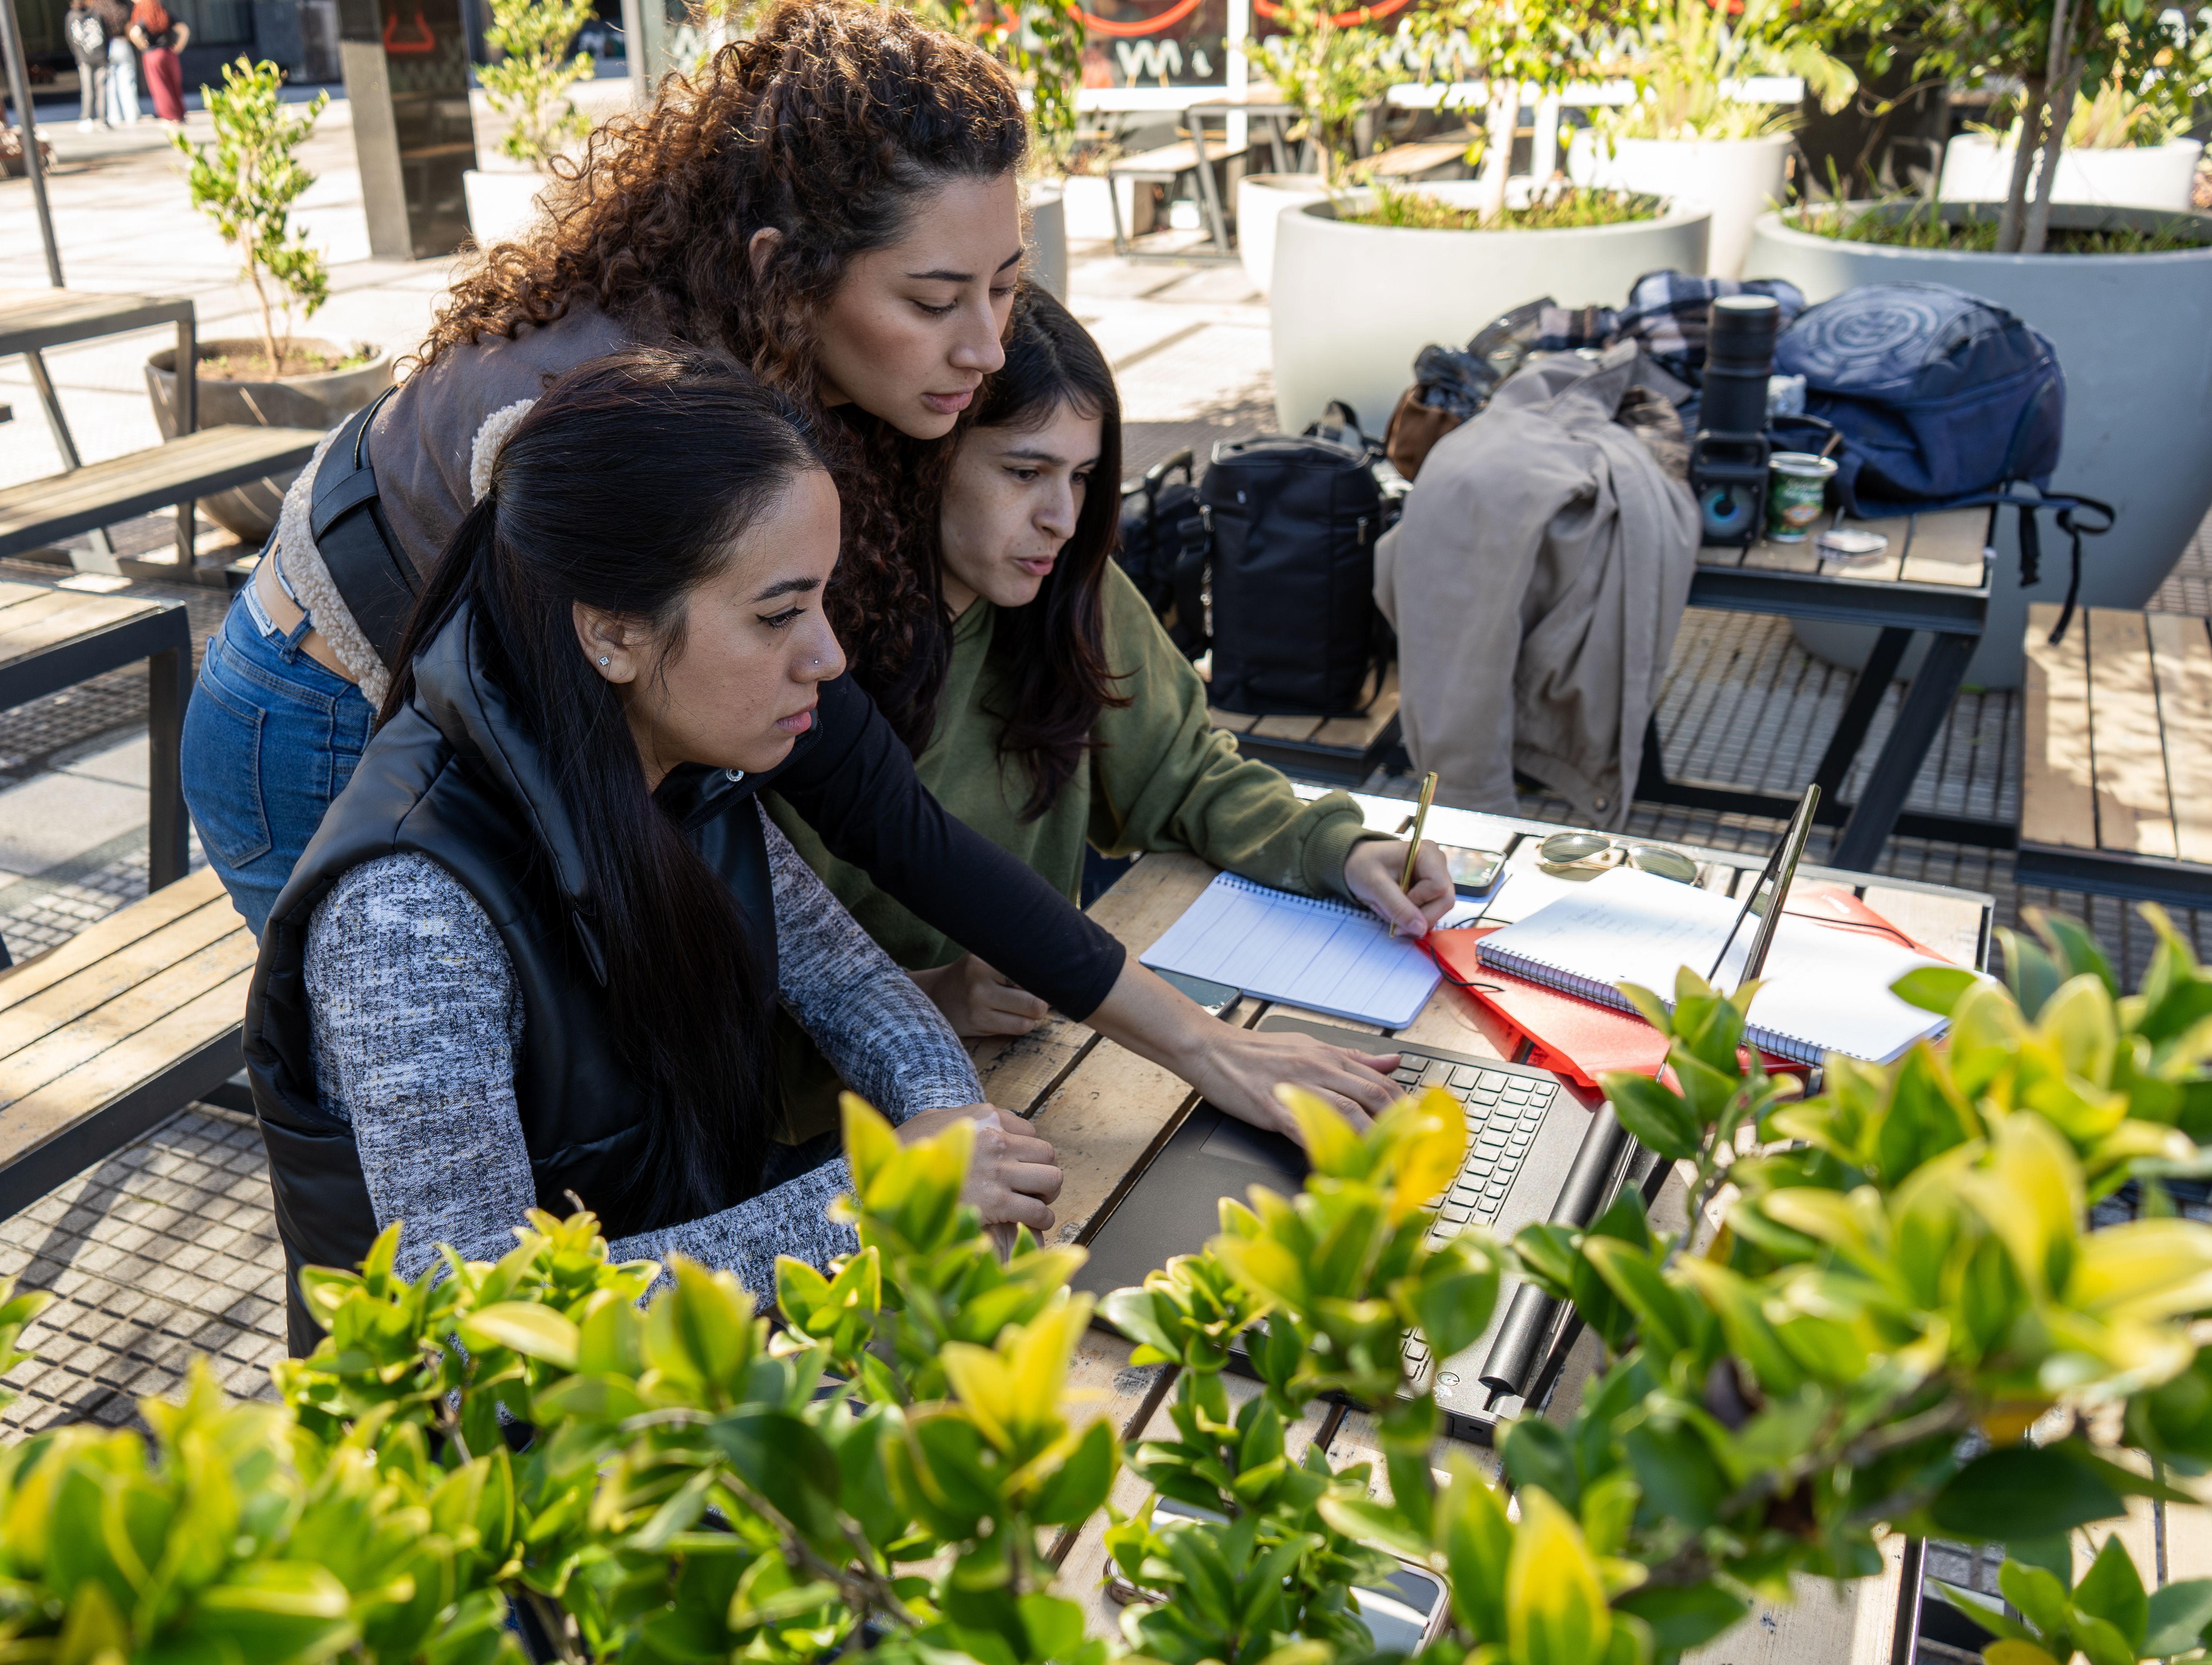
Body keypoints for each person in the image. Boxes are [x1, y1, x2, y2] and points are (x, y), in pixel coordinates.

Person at [193, 0, 1407, 1144]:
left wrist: (1185, 1040)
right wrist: (1201, 1047)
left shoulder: (786, 361)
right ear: (786, 273)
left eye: (1004, 288)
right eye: (934, 301)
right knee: (465, 1122)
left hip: (517, 683)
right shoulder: (615, 414)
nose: (987, 350)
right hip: (322, 698)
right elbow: (865, 799)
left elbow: (860, 808)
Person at [247, 350, 1062, 1344]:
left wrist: (957, 1132)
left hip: (699, 1358)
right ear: (613, 634)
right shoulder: (410, 916)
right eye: (778, 614)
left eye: (822, 599)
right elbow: (480, 1318)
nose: (829, 655)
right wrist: (885, 1201)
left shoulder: (679, 766)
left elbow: (856, 986)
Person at [774, 286, 1453, 1101]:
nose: (1061, 518)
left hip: (1039, 1072)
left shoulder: (1067, 594)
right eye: (1025, 471)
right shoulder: (801, 659)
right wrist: (933, 996)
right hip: (848, 1127)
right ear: (921, 463)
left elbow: (1184, 773)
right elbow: (742, 998)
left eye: (1084, 477)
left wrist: (1338, 849)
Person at [126, 0, 185, 124]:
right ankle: (180, 115)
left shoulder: (144, 16)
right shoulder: (164, 14)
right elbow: (184, 30)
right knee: (174, 85)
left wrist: (142, 45)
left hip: (153, 55)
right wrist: (179, 47)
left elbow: (135, 33)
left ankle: (169, 116)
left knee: (160, 87)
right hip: (170, 53)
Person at [66, 0, 109, 129]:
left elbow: (70, 37)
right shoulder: (96, 13)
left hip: (84, 57)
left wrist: (77, 54)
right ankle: (103, 118)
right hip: (100, 54)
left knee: (87, 88)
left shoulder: (72, 16)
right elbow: (105, 33)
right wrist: (105, 52)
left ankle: (88, 117)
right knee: (101, 88)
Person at [99, 0, 140, 125]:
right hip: (122, 43)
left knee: (110, 84)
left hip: (106, 47)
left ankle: (114, 116)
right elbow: (129, 28)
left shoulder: (97, 9)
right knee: (128, 82)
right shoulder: (122, 8)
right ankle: (132, 115)